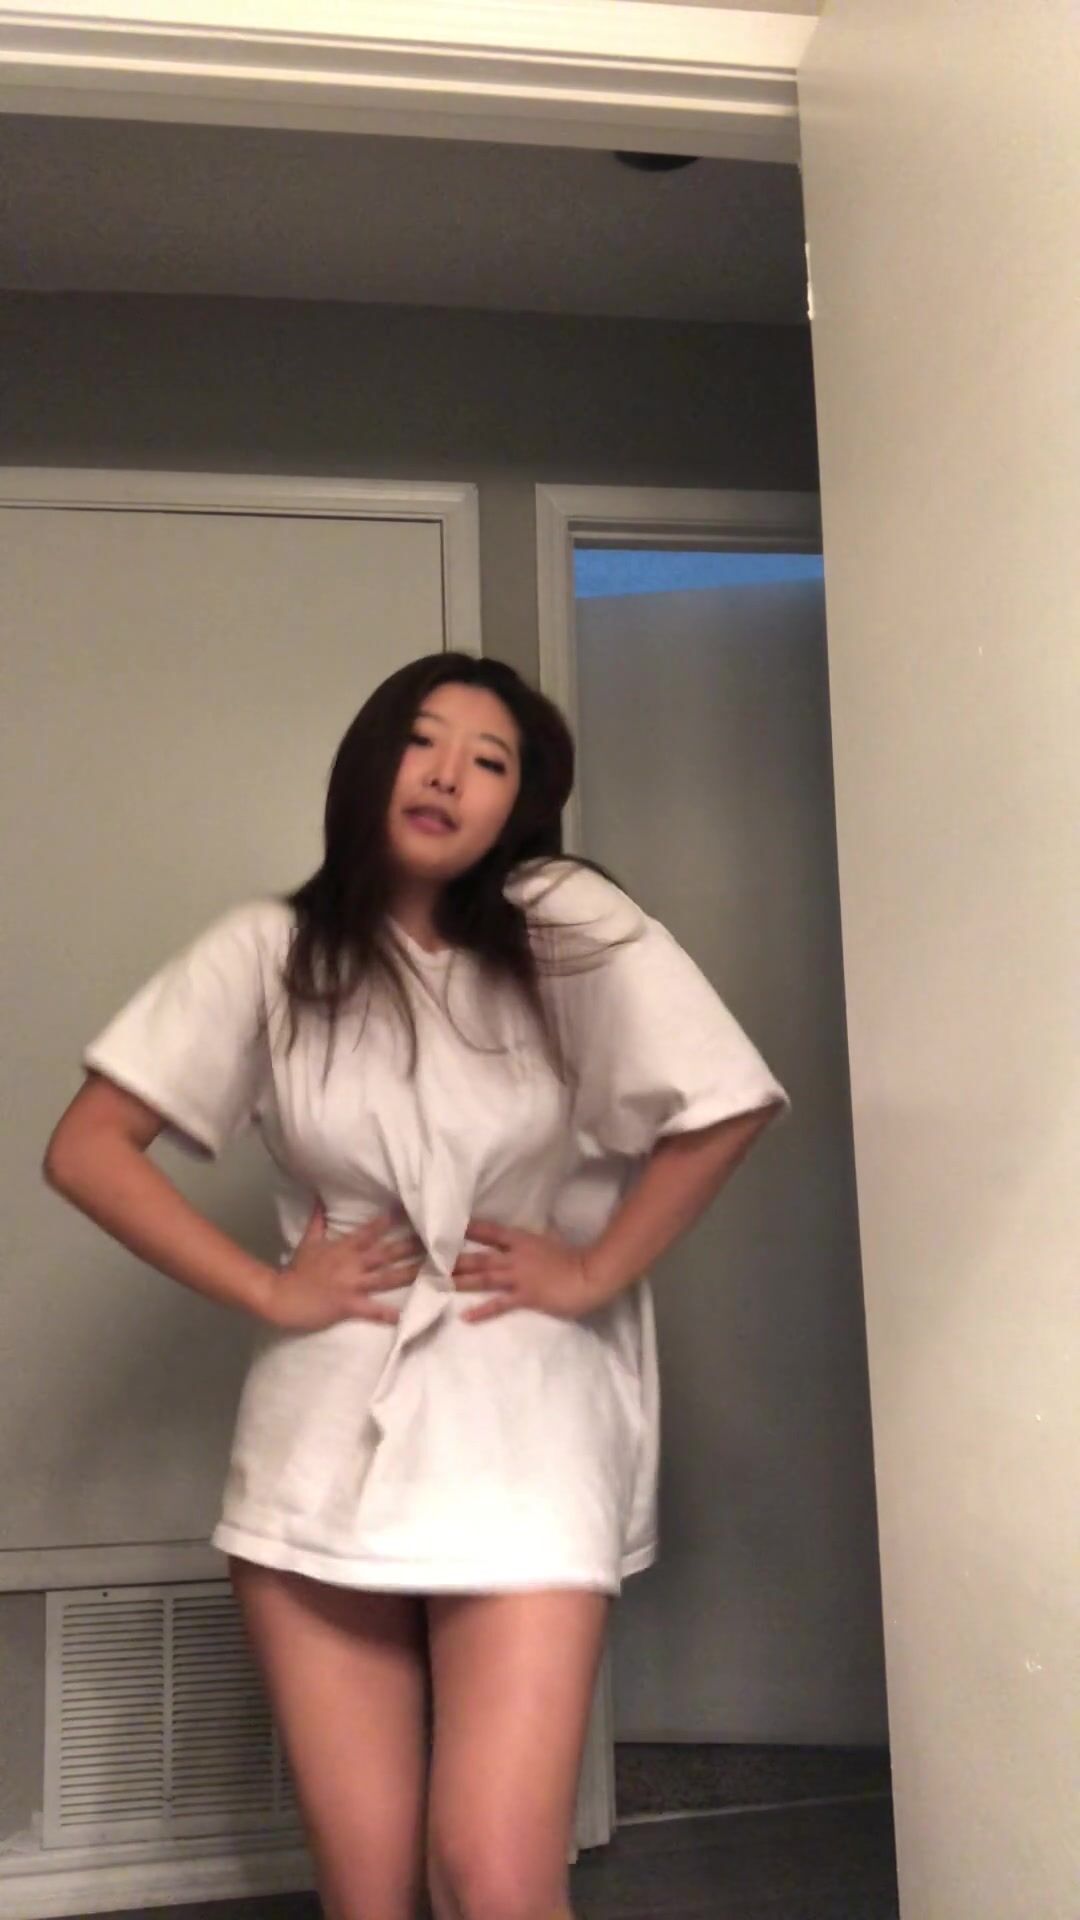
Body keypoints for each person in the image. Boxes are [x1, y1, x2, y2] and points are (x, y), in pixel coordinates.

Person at [43, 650, 789, 1920]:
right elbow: (87, 1149)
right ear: (370, 760)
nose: (448, 776)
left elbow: (723, 1100)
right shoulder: (269, 949)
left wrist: (595, 1266)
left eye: (489, 761)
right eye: (423, 740)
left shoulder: (565, 926)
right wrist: (271, 1291)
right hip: (323, 1431)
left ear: (518, 803)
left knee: (495, 1875)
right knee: (369, 1888)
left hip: (526, 1419)